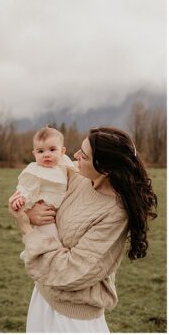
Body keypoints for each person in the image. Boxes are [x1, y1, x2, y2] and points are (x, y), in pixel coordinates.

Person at [10, 127, 157, 333]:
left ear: (104, 168)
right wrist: (31, 212)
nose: (76, 155)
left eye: (84, 155)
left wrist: (26, 226)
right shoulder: (77, 176)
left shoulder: (115, 213)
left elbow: (70, 272)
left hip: (72, 318)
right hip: (42, 297)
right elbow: (39, 191)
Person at [8, 126, 78, 249]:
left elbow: (75, 172)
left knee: (65, 239)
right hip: (44, 214)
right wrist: (21, 199)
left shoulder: (64, 163)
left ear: (62, 151)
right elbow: (26, 188)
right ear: (34, 154)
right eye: (40, 151)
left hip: (61, 211)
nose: (46, 155)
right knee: (51, 241)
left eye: (52, 149)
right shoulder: (35, 171)